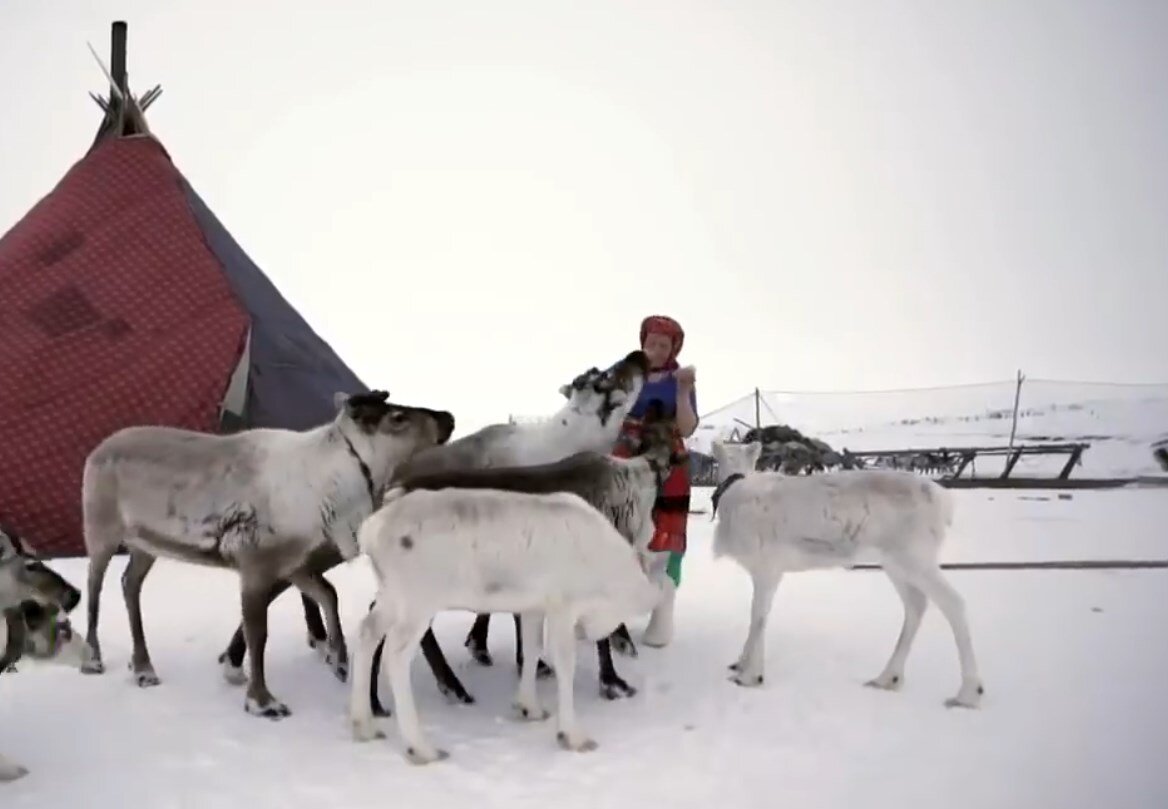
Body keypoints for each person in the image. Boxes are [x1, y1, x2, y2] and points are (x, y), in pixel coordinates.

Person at [611, 314, 699, 648]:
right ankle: (606, 609)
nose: (657, 350)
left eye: (664, 345)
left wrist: (684, 391)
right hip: (624, 458)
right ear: (642, 342)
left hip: (667, 462)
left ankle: (661, 612)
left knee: (664, 538)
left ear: (674, 348)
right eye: (651, 344)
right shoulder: (626, 373)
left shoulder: (680, 379)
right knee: (616, 531)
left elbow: (687, 428)